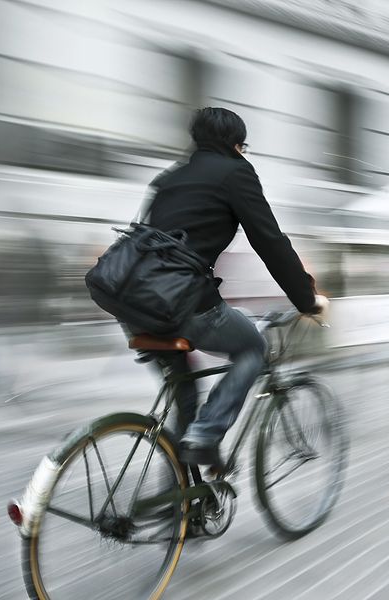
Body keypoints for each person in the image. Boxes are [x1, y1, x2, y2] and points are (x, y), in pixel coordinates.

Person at [124, 107, 327, 466]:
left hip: (132, 304)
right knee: (253, 347)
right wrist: (306, 299)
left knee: (185, 404)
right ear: (236, 146)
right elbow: (270, 242)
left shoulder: (168, 179)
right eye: (243, 148)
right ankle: (206, 435)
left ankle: (182, 514)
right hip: (181, 303)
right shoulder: (236, 172)